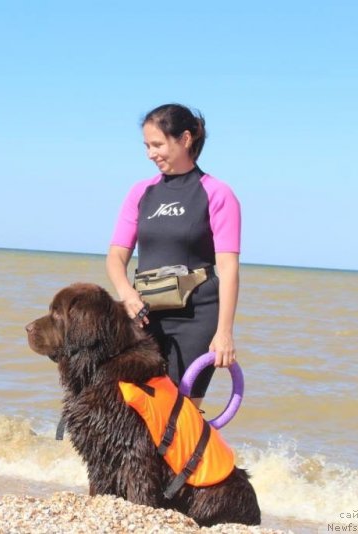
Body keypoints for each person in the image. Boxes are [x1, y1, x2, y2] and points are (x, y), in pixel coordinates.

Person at [106, 103, 241, 407]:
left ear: (185, 139)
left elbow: (229, 268)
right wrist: (127, 295)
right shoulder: (141, 193)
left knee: (180, 412)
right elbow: (116, 256)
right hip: (144, 316)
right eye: (146, 146)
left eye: (157, 144)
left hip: (196, 316)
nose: (150, 154)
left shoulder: (217, 193)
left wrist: (224, 333)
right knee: (131, 408)